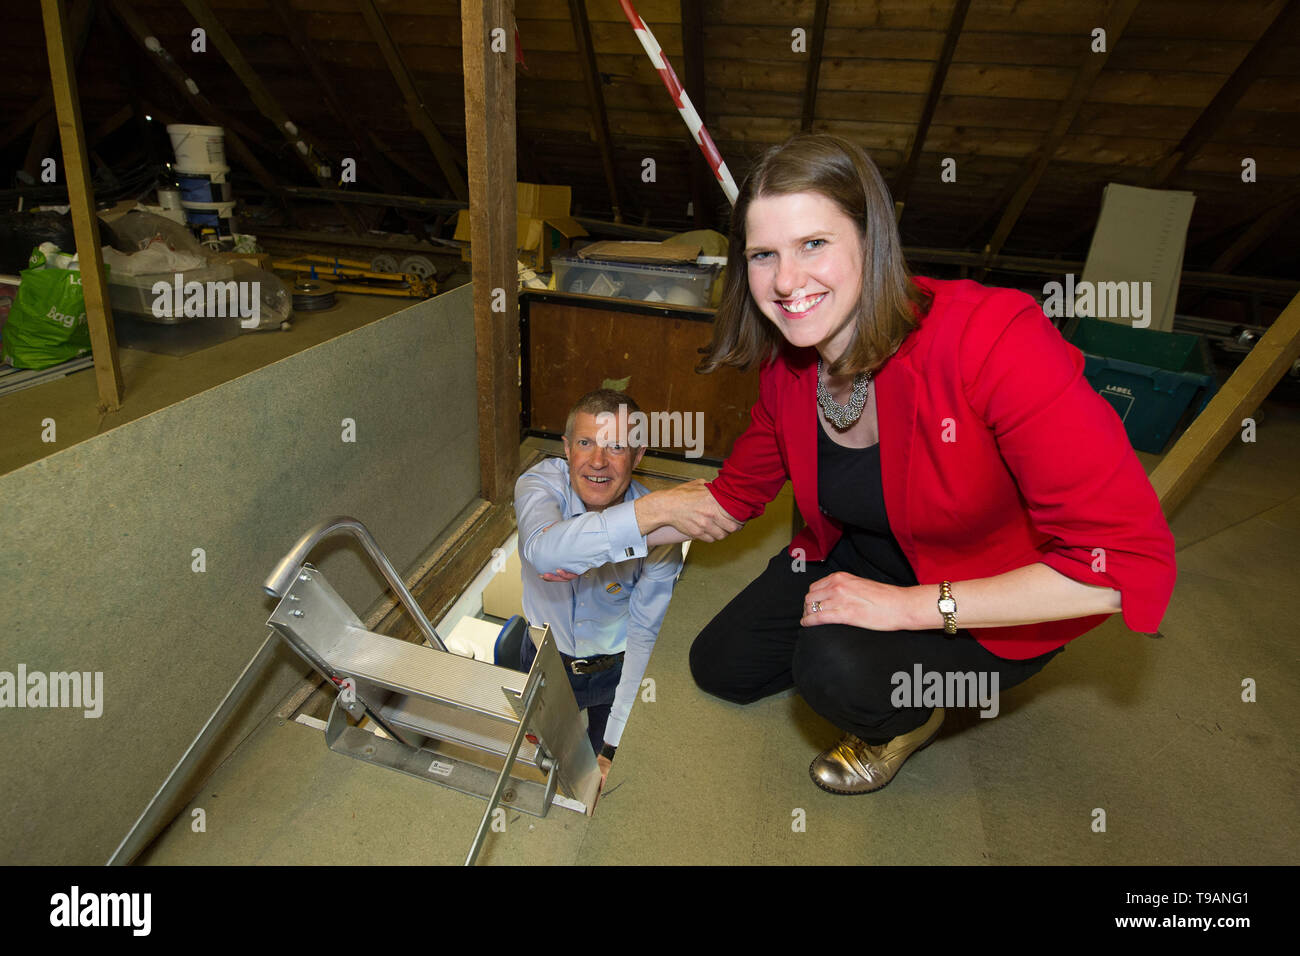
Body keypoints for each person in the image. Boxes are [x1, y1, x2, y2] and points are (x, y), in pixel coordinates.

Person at [630, 133, 1177, 795]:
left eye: (814, 244)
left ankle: (907, 719)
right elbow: (731, 497)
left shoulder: (993, 340)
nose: (786, 281)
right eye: (763, 255)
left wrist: (909, 609)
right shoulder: (790, 369)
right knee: (721, 666)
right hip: (860, 553)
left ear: (871, 239)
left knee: (832, 669)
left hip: (985, 591)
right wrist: (603, 526)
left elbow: (1122, 568)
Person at [514, 389, 684, 781]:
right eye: (586, 443)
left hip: (615, 669)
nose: (597, 462)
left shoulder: (662, 535)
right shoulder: (538, 485)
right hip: (542, 658)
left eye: (617, 447)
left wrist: (611, 747)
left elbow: (645, 633)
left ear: (638, 456)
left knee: (597, 766)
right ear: (567, 448)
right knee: (540, 759)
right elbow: (544, 553)